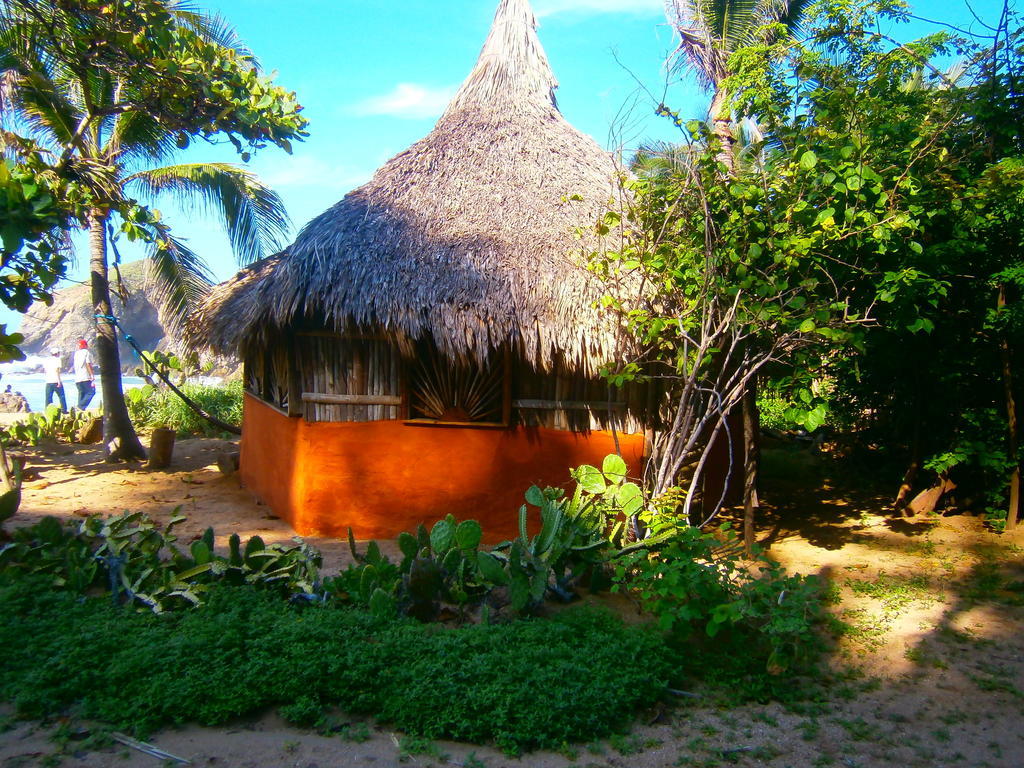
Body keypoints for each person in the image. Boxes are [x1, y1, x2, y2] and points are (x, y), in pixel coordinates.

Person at [73, 339, 96, 409]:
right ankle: (80, 407)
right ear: (86, 345)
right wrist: (92, 375)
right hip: (85, 377)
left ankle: (79, 410)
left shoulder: (76, 354)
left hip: (77, 378)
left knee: (81, 393)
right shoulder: (86, 352)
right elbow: (88, 364)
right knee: (91, 392)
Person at [43, 347, 67, 412]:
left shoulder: (47, 360)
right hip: (56, 381)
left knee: (48, 398)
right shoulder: (58, 360)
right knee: (61, 396)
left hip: (48, 381)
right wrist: (59, 381)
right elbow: (57, 370)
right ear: (57, 353)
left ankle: (48, 411)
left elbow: (45, 371)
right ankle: (64, 410)